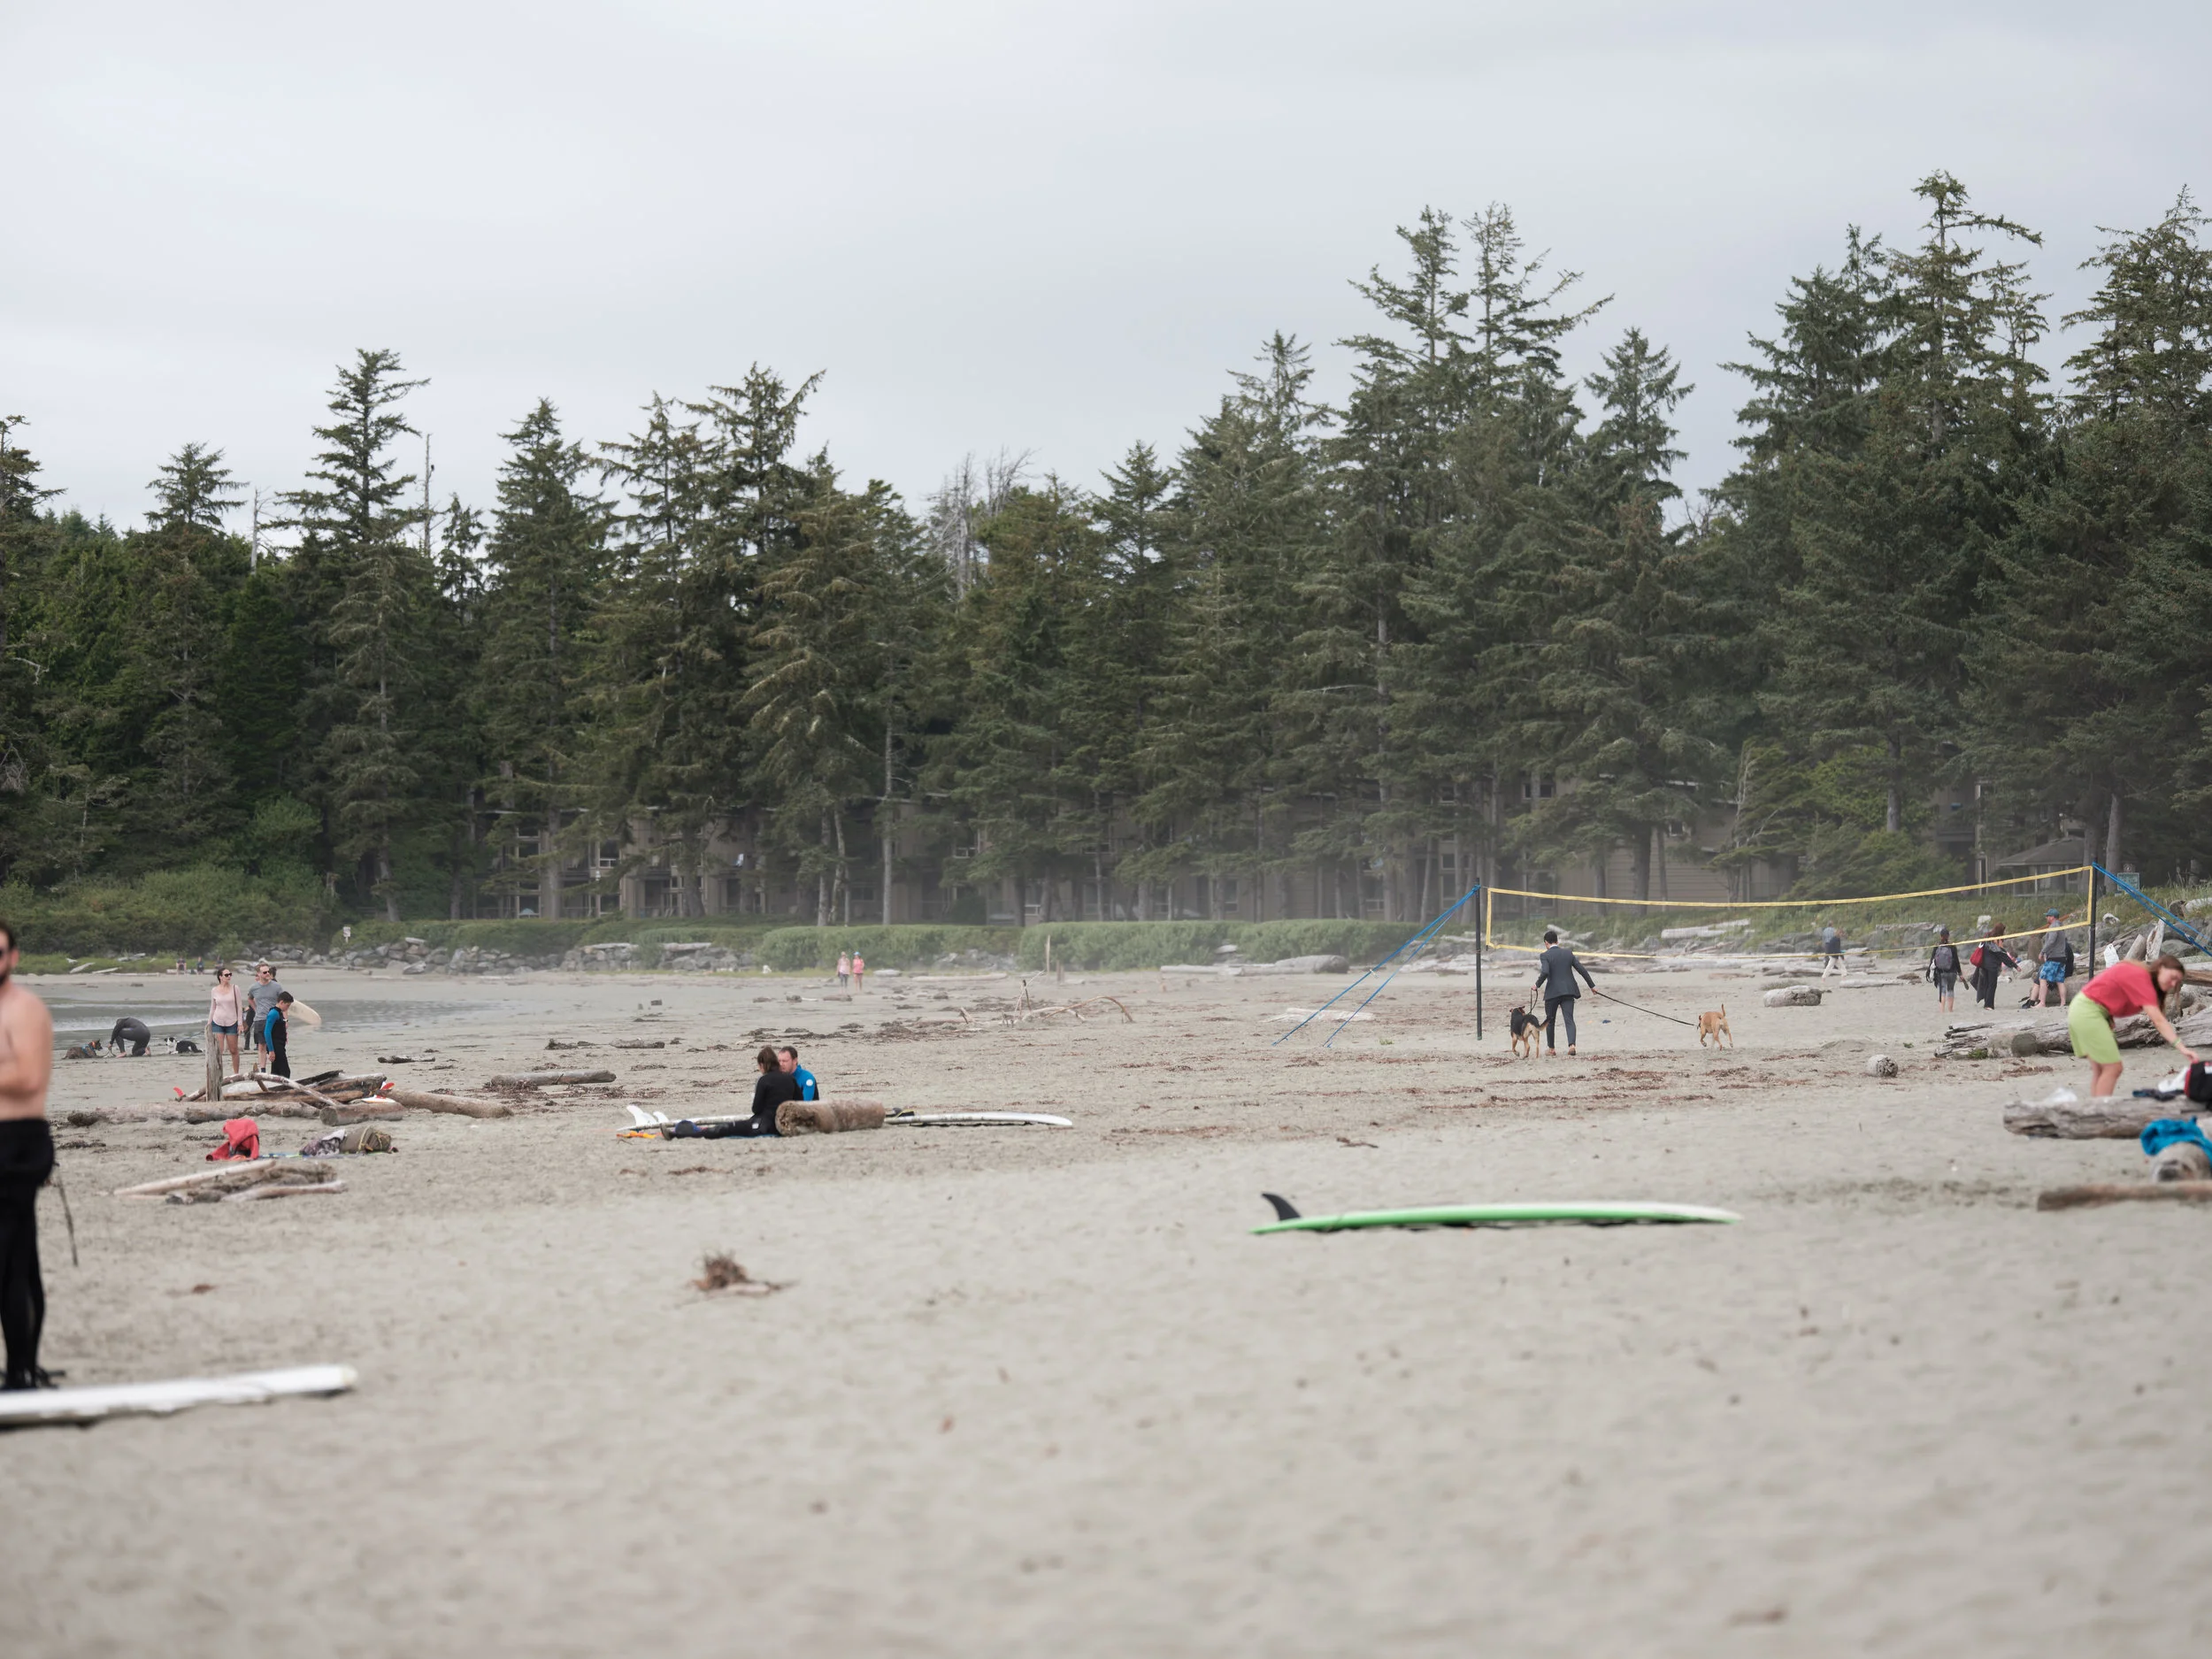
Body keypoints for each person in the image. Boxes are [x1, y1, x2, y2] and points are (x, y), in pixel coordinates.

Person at [0, 919, 58, 1391]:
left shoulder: (25, 1010)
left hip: (17, 1142)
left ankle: (22, 1368)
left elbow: (29, 1078)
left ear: (13, 957)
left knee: (15, 1258)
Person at [2071, 952, 2196, 1098]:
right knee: (2113, 1068)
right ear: (2161, 968)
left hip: (2082, 1008)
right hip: (2088, 1011)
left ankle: (2094, 1109)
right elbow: (2159, 1021)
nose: (2173, 984)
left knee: (2101, 1070)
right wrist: (2182, 1048)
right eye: (2173, 977)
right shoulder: (2143, 978)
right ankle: (2102, 1109)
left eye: (2177, 982)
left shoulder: (2143, 977)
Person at [663, 1047, 799, 1139]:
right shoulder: (790, 1079)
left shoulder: (764, 1080)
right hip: (785, 1124)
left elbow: (756, 1109)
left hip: (764, 1125)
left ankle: (677, 1135)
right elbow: (799, 1102)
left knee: (725, 1128)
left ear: (762, 1065)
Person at [1531, 928, 1597, 1057]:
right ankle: (1572, 1046)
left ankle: (1551, 1049)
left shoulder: (1545, 955)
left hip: (1553, 992)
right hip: (1568, 991)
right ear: (1557, 941)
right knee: (1569, 1019)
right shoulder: (1568, 953)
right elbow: (1581, 970)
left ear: (1546, 943)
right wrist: (1592, 986)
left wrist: (1537, 985)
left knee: (1550, 1020)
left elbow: (1545, 972)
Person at [247, 963, 286, 1071]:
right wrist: (256, 1009)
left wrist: (285, 1020)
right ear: (259, 974)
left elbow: (284, 1003)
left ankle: (277, 1070)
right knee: (261, 1045)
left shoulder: (277, 986)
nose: (268, 973)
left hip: (275, 1019)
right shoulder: (253, 988)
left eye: (268, 971)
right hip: (260, 1019)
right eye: (265, 972)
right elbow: (250, 999)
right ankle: (263, 1070)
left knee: (276, 1045)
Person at [1970, 923, 2016, 1010]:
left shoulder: (1987, 936)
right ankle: (1989, 1005)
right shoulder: (1997, 940)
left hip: (1983, 964)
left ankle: (1986, 1003)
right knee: (1992, 985)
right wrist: (2014, 965)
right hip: (1992, 966)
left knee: (1986, 984)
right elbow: (2002, 954)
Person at [208, 965, 243, 1077]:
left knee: (233, 1050)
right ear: (220, 977)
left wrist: (240, 1023)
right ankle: (218, 1074)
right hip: (217, 1021)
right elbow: (213, 1008)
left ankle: (236, 1073)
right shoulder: (214, 990)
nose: (229, 976)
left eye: (230, 974)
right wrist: (209, 1023)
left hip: (232, 1022)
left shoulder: (235, 988)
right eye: (226, 975)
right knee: (219, 1050)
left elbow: (239, 1007)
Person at [2034, 910, 2074, 1008]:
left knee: (2043, 978)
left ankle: (2042, 1002)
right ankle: (2063, 1003)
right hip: (2061, 957)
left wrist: (2043, 952)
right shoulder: (2060, 926)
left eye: (2048, 916)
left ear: (2052, 917)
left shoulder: (2054, 926)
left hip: (2054, 957)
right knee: (2060, 981)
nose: (2046, 918)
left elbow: (2051, 941)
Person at [1927, 927, 1962, 1013]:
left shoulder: (1937, 946)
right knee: (1950, 990)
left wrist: (1929, 971)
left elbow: (1932, 960)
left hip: (1941, 972)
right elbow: (1956, 960)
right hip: (1952, 972)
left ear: (1941, 936)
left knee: (1942, 991)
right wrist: (1960, 973)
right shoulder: (1952, 946)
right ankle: (1950, 1010)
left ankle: (1942, 1010)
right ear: (1948, 936)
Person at [262, 992, 293, 1079]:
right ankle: (285, 1087)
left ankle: (273, 1086)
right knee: (285, 1071)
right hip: (275, 1046)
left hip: (280, 1045)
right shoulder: (273, 1013)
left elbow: (280, 1024)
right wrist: (271, 1051)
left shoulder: (279, 1013)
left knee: (276, 1072)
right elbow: (267, 1032)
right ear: (281, 1002)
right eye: (287, 1005)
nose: (287, 1008)